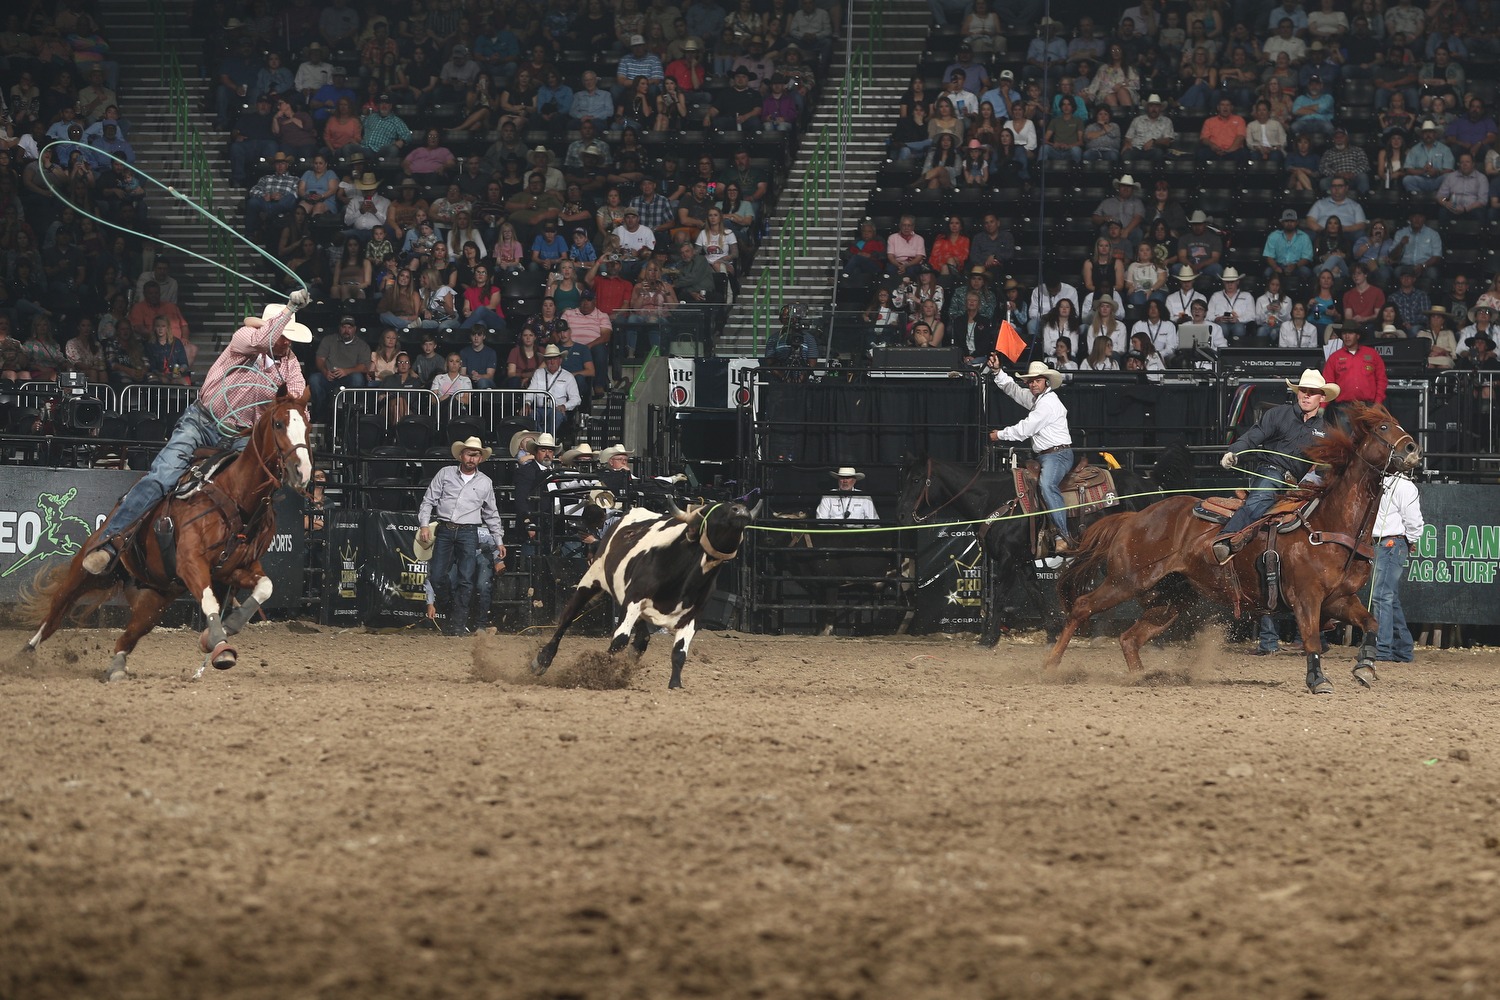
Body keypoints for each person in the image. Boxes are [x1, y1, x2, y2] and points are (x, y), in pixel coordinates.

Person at [81, 291, 314, 575]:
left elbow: (297, 404)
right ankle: (110, 544)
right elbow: (260, 340)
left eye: (291, 337)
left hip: (240, 436)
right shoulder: (244, 339)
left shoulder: (290, 366)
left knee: (254, 492)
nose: (287, 342)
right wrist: (289, 308)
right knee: (161, 477)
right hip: (202, 423)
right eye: (283, 335)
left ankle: (235, 560)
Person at [1212, 369, 1340, 564]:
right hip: (1271, 472)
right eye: (1303, 390)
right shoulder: (1278, 415)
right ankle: (1226, 540)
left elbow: (1330, 464)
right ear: (1297, 393)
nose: (1306, 395)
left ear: (1321, 397)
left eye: (1312, 391)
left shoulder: (1326, 431)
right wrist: (1234, 452)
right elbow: (1254, 435)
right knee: (1260, 499)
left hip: (1299, 485)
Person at [416, 436, 506, 636]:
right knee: (438, 575)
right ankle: (452, 613)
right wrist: (424, 525)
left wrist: (498, 540)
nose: (472, 459)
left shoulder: (485, 482)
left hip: (468, 531)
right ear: (461, 455)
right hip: (446, 528)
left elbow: (491, 513)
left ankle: (457, 625)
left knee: (466, 579)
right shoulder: (445, 473)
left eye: (476, 455)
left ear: (481, 459)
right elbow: (428, 500)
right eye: (469, 454)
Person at [985, 358, 1076, 551]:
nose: (1033, 384)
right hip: (1046, 455)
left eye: (1037, 380)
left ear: (1046, 382)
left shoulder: (1047, 404)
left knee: (1047, 485)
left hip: (1058, 455)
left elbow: (1025, 429)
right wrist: (997, 372)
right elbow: (1014, 390)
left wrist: (999, 434)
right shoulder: (1038, 399)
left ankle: (1063, 534)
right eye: (1031, 381)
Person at [1370, 473, 1424, 663]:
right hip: (1386, 543)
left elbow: (1414, 521)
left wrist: (1411, 539)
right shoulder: (1382, 482)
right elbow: (1414, 521)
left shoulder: (1403, 486)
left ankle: (1382, 649)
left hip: (1391, 542)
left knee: (1382, 595)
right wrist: (1411, 539)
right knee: (1388, 597)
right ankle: (1402, 649)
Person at [523, 343, 582, 439]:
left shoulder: (568, 376)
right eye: (549, 359)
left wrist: (564, 406)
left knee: (557, 415)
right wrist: (527, 403)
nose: (552, 362)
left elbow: (576, 398)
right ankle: (542, 439)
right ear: (545, 361)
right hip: (540, 409)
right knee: (530, 414)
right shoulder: (538, 373)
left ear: (560, 360)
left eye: (555, 358)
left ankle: (546, 440)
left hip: (557, 409)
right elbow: (531, 391)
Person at [816, 466, 880, 522]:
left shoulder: (864, 497)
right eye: (842, 478)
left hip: (858, 533)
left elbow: (873, 523)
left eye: (848, 478)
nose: (845, 481)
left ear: (854, 480)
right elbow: (821, 520)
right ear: (838, 480)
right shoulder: (828, 496)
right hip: (834, 533)